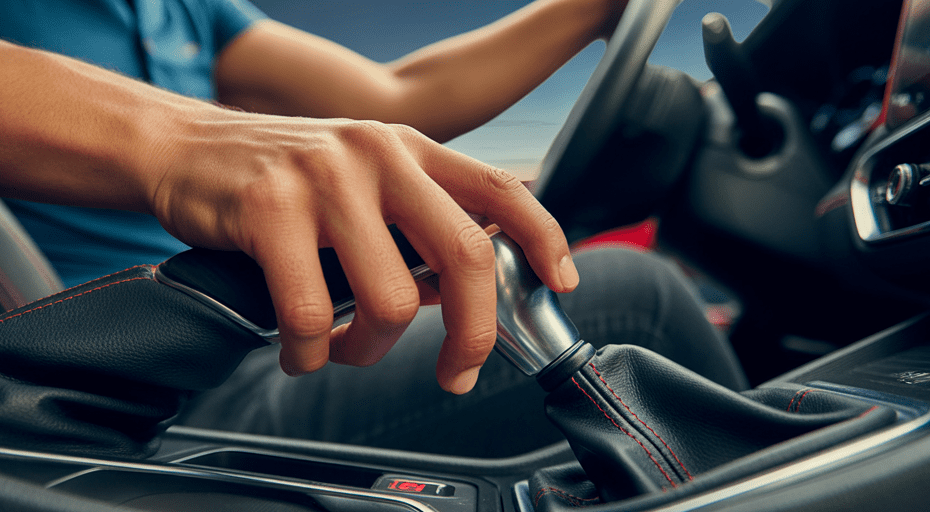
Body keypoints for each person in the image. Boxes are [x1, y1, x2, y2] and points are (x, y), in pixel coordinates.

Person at [0, 0, 747, 456]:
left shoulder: (190, 8)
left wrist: (594, 6)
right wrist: (177, 143)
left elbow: (397, 94)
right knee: (631, 301)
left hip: (265, 341)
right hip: (156, 382)